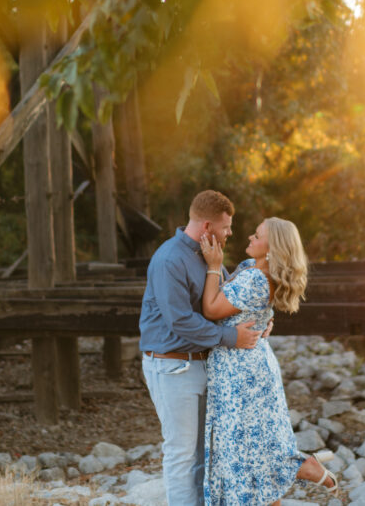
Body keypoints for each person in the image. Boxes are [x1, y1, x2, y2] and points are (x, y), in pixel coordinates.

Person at [200, 217, 338, 506]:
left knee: (242, 450)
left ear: (272, 247)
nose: (250, 237)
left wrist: (214, 264)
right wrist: (267, 317)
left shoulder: (255, 278)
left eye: (257, 235)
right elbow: (250, 307)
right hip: (252, 362)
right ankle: (304, 467)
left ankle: (303, 467)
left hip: (240, 369)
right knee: (254, 449)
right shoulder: (257, 271)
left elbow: (212, 309)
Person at [139, 190, 263, 506]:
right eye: (226, 227)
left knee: (201, 452)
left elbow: (221, 300)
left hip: (200, 364)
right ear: (207, 226)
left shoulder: (210, 257)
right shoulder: (169, 259)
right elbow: (180, 321)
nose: (230, 233)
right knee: (182, 453)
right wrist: (231, 338)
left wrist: (261, 315)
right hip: (172, 365)